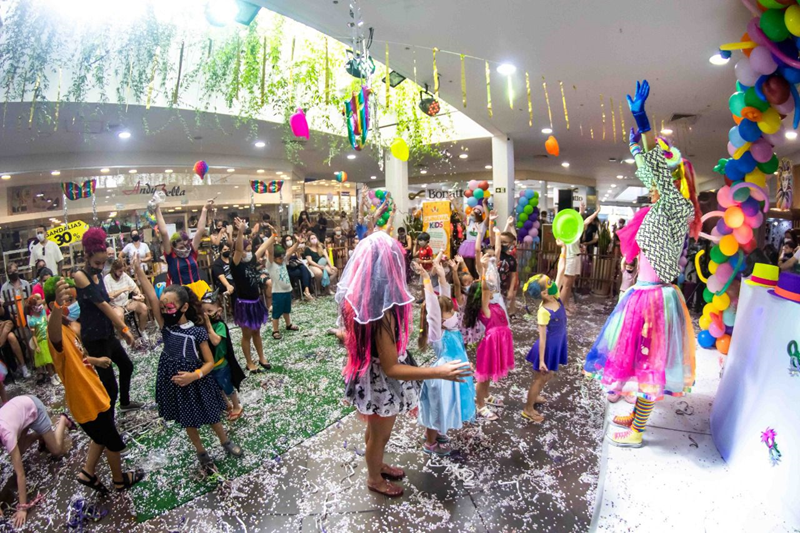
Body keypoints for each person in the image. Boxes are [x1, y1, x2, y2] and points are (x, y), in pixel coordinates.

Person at [585, 80, 699, 448]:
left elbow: (658, 175)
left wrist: (643, 122)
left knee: (651, 367)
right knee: (640, 363)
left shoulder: (675, 206)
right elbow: (653, 173)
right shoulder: (661, 207)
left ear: (672, 177)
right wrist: (636, 148)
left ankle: (637, 431)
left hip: (654, 299)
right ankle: (635, 417)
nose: (650, 183)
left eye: (658, 178)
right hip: (644, 295)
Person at [339, 231, 471, 497]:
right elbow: (391, 368)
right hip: (380, 383)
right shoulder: (382, 311)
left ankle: (376, 465)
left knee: (375, 432)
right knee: (380, 436)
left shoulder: (365, 298)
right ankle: (374, 478)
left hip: (372, 377)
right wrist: (439, 372)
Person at [133, 257, 243, 474]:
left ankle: (224, 441)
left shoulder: (197, 331)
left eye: (170, 306)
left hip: (197, 379)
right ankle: (201, 451)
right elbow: (151, 298)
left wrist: (195, 375)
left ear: (183, 307)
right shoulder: (165, 326)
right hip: (174, 378)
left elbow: (210, 362)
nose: (164, 309)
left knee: (212, 414)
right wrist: (139, 271)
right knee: (187, 419)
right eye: (163, 306)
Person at [45, 276, 145, 495]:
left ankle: (88, 472)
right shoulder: (57, 333)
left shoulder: (70, 330)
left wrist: (97, 361)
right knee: (113, 443)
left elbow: (77, 359)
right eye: (67, 301)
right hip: (87, 401)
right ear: (56, 306)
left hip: (93, 396)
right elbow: (52, 334)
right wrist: (55, 307)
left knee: (99, 438)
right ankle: (119, 481)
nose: (72, 304)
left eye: (72, 299)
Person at [73, 228, 140, 413]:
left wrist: (119, 329)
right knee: (110, 386)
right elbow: (102, 304)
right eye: (97, 262)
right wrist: (124, 329)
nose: (100, 266)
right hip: (94, 338)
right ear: (86, 255)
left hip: (107, 333)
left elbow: (107, 304)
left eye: (103, 263)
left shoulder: (98, 275)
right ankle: (108, 421)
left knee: (127, 366)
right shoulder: (80, 276)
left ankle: (125, 403)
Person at [416, 258, 476, 456]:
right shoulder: (437, 331)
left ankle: (439, 433)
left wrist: (442, 276)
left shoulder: (449, 324)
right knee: (436, 408)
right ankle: (431, 442)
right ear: (440, 318)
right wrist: (426, 278)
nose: (455, 314)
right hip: (442, 378)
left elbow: (444, 298)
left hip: (453, 374)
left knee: (446, 406)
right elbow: (434, 307)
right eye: (450, 312)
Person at [0, 394, 73, 527]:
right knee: (19, 451)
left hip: (33, 407)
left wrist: (23, 508)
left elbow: (20, 474)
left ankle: (63, 420)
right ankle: (41, 435)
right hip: (19, 410)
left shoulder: (7, 434)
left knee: (56, 450)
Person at [462, 246, 514, 421]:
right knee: (483, 377)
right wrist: (483, 269)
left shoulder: (495, 302)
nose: (492, 289)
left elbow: (492, 284)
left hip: (498, 344)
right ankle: (480, 405)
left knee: (489, 376)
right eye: (488, 289)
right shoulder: (486, 308)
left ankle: (485, 397)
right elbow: (485, 287)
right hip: (490, 346)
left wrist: (489, 269)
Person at [521, 275, 566, 423]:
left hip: (556, 344)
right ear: (544, 294)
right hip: (547, 348)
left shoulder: (555, 297)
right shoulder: (544, 311)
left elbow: (561, 274)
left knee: (549, 375)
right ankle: (528, 409)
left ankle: (535, 396)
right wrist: (541, 360)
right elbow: (542, 338)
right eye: (549, 283)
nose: (553, 283)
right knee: (540, 378)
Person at [229, 218, 271, 371]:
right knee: (246, 334)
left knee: (257, 332)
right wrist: (240, 232)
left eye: (250, 249)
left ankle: (261, 357)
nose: (248, 252)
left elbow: (264, 246)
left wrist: (273, 234)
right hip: (244, 304)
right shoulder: (236, 263)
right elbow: (239, 250)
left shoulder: (252, 260)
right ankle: (249, 362)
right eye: (247, 249)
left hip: (255, 301)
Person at [155, 199, 214, 300]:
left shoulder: (192, 252)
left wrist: (204, 209)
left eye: (187, 245)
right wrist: (157, 208)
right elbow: (164, 232)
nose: (185, 249)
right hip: (181, 293)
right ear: (174, 246)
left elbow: (200, 230)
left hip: (199, 289)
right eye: (181, 247)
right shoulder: (171, 256)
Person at [200, 292, 245, 421]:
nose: (206, 314)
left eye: (209, 310)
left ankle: (236, 405)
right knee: (217, 387)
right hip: (209, 366)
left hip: (221, 365)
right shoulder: (201, 326)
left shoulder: (219, 326)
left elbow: (215, 341)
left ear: (218, 311)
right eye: (203, 311)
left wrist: (208, 327)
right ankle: (226, 404)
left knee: (227, 386)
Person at [560, 207, 599, 317]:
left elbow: (586, 221)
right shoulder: (566, 232)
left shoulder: (575, 229)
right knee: (566, 285)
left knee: (570, 283)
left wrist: (595, 212)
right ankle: (561, 309)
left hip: (576, 257)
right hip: (570, 258)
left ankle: (566, 304)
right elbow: (583, 221)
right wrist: (581, 213)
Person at [265, 227, 302, 340]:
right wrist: (273, 237)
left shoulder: (283, 260)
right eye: (279, 258)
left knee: (287, 309)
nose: (282, 259)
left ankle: (288, 324)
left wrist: (298, 243)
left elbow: (290, 251)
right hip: (278, 293)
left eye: (282, 257)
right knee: (276, 312)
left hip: (287, 291)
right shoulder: (271, 264)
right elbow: (270, 252)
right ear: (274, 258)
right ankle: (275, 330)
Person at [104, 259, 149, 340]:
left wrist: (139, 294)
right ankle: (123, 337)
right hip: (115, 305)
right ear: (114, 270)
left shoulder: (124, 275)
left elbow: (134, 287)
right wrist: (123, 289)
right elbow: (109, 295)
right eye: (120, 271)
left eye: (123, 271)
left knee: (144, 308)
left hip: (126, 302)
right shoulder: (107, 278)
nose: (122, 273)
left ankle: (142, 330)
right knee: (118, 316)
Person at [24, 295, 57, 385]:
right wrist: (37, 346)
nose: (40, 306)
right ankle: (52, 377)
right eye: (37, 305)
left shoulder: (43, 313)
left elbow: (46, 302)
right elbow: (34, 336)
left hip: (49, 339)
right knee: (48, 362)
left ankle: (57, 375)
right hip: (41, 342)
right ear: (32, 308)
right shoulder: (32, 321)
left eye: (40, 304)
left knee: (53, 359)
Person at [456, 206, 486, 278]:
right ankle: (469, 284)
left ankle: (477, 283)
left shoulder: (483, 224)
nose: (470, 216)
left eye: (473, 215)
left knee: (477, 268)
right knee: (468, 267)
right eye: (471, 214)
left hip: (478, 246)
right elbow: (460, 213)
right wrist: (453, 201)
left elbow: (488, 217)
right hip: (467, 247)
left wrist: (484, 204)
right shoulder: (469, 222)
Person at [283, 235, 314, 301]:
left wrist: (298, 253)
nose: (289, 241)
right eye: (287, 240)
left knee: (304, 268)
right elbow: (286, 259)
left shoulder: (295, 250)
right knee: (305, 271)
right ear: (284, 242)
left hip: (297, 266)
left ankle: (306, 291)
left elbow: (299, 258)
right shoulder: (284, 251)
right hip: (289, 268)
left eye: (290, 239)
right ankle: (307, 291)